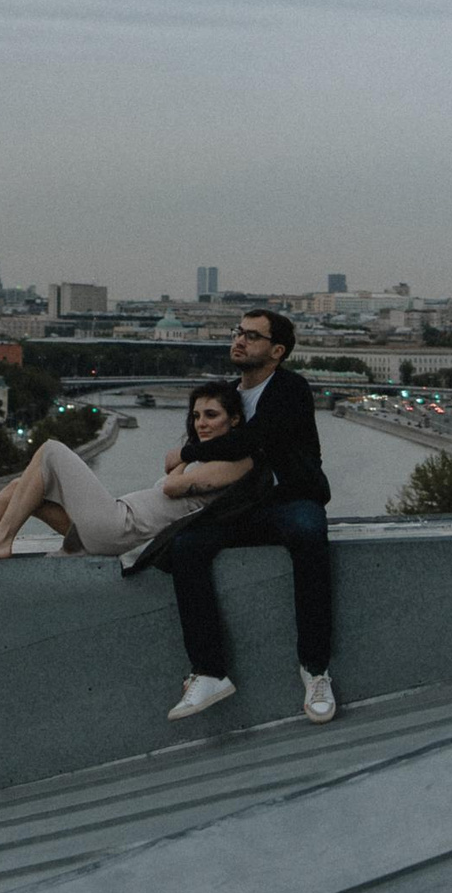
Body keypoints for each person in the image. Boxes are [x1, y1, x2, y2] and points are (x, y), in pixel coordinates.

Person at [141, 308, 338, 723]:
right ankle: (209, 671)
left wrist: (187, 452)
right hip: (246, 505)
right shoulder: (230, 395)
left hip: (292, 498)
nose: (239, 340)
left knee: (307, 535)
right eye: (238, 332)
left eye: (252, 336)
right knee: (186, 548)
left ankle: (316, 670)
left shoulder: (290, 389)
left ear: (277, 351)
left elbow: (251, 439)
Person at [0, 383, 258, 567]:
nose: (201, 423)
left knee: (51, 449)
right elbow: (170, 471)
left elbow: (172, 482)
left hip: (119, 530)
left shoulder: (239, 462)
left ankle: (0, 541)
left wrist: (189, 450)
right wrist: (195, 447)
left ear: (235, 420)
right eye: (197, 416)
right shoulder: (215, 455)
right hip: (112, 525)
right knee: (20, 487)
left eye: (211, 415)